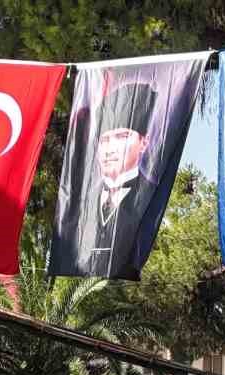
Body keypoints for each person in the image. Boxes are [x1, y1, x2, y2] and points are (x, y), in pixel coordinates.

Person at [50, 79, 166, 279]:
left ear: (143, 143)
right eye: (104, 140)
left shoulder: (153, 195)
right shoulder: (78, 201)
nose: (110, 149)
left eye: (122, 136)